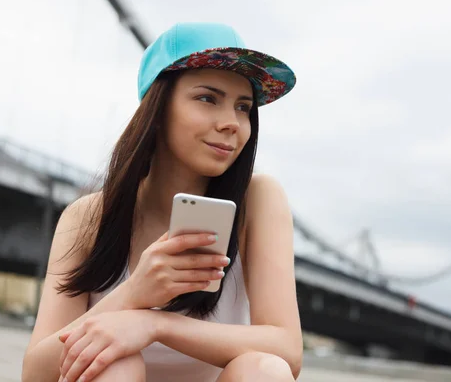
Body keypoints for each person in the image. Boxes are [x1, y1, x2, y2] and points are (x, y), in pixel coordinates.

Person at [22, 22, 302, 382]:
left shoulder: (258, 201)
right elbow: (35, 373)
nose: (232, 123)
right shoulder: (89, 216)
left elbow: (287, 349)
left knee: (265, 368)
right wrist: (133, 293)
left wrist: (153, 323)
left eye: (243, 107)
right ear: (156, 108)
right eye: (208, 98)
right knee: (113, 363)